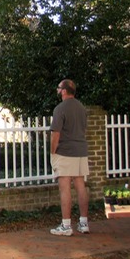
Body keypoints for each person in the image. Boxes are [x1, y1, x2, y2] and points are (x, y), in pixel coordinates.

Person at [49, 79, 90, 236]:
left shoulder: (60, 109)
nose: (58, 90)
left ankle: (66, 225)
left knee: (64, 187)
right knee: (80, 186)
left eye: (59, 88)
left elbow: (56, 134)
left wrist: (53, 152)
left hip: (65, 152)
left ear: (64, 91)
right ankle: (84, 222)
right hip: (81, 151)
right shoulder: (82, 108)